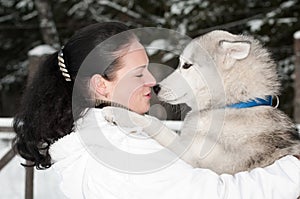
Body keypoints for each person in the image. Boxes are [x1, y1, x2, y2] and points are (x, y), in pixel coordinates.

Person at [13, 22, 300, 199]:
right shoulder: (121, 154)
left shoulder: (96, 137)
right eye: (138, 74)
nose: (152, 80)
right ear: (101, 86)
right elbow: (222, 194)